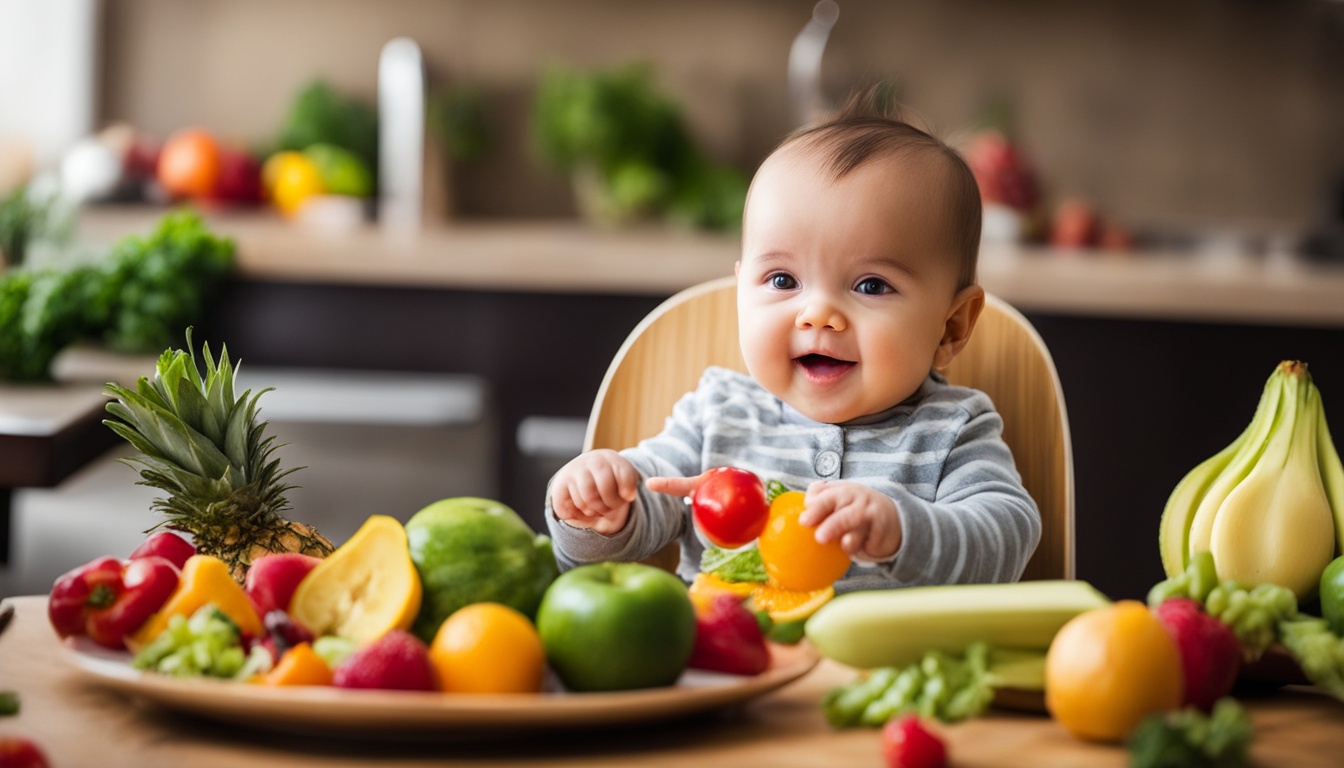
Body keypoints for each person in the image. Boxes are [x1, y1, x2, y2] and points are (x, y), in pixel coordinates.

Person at [544, 93, 1041, 591]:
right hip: (732, 664)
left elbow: (1007, 538)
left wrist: (902, 529)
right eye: (783, 280)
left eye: (871, 285)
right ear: (742, 292)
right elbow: (627, 527)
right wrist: (598, 512)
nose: (817, 313)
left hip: (885, 668)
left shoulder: (952, 430)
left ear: (951, 326)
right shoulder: (717, 415)